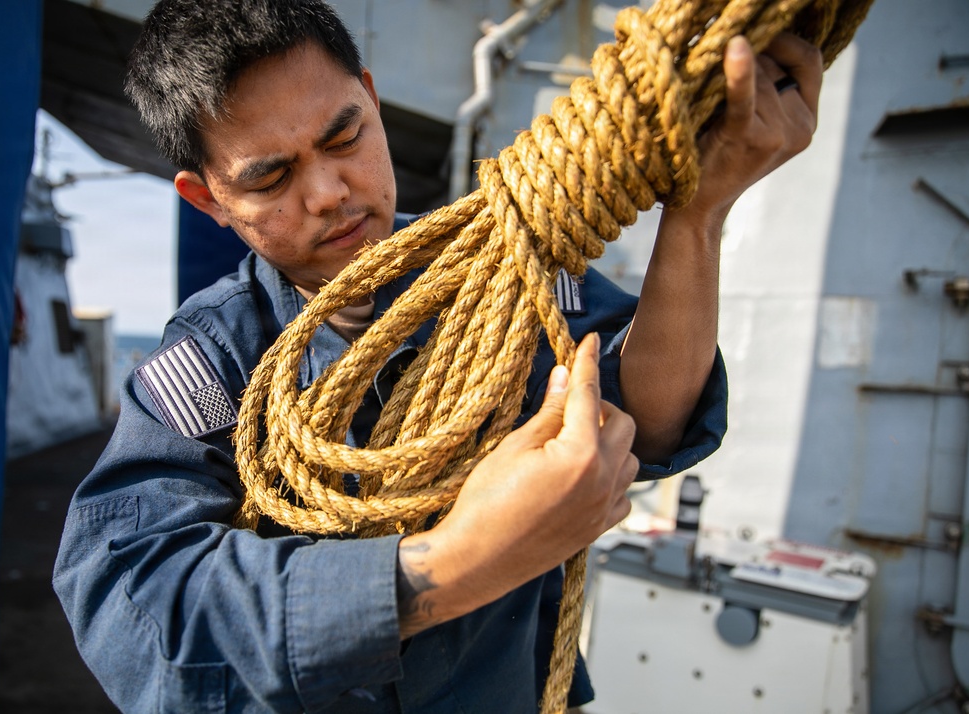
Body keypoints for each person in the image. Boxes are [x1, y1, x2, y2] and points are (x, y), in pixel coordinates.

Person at [52, 1, 824, 711]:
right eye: (272, 177)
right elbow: (137, 604)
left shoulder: (510, 264)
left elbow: (649, 421)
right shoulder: (211, 367)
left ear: (372, 96)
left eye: (344, 135)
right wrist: (457, 562)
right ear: (207, 199)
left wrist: (699, 217)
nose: (328, 192)